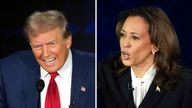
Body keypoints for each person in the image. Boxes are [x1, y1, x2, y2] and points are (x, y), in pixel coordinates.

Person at [98, 6, 192, 108]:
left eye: (135, 37)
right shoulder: (106, 72)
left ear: (156, 45)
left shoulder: (186, 84)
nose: (125, 43)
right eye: (123, 35)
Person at [0, 10, 95, 108]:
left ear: (68, 41)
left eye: (51, 44)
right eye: (37, 46)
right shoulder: (7, 71)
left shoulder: (95, 69)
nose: (45, 54)